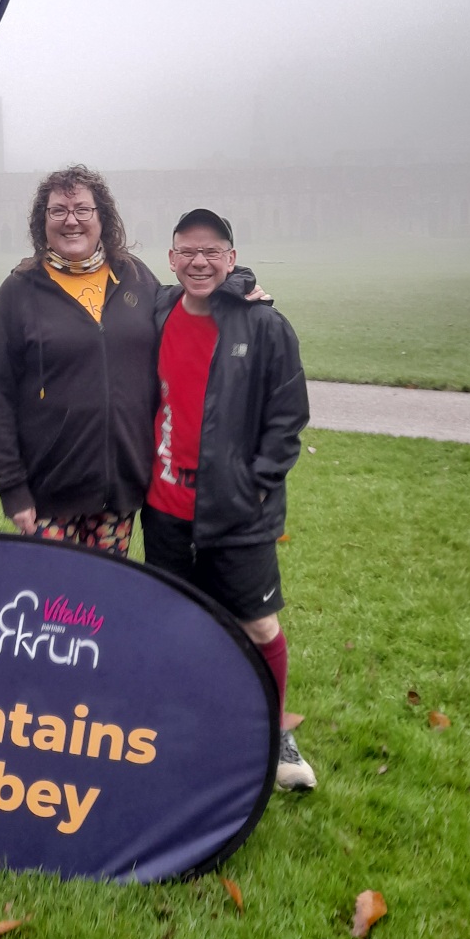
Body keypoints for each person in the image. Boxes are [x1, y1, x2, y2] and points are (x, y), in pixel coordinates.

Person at [140, 208, 316, 792]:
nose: (199, 262)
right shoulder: (160, 310)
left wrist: (256, 485)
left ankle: (274, 735)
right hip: (165, 509)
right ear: (171, 259)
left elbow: (288, 417)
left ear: (232, 259)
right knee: (176, 624)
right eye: (188, 252)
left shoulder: (265, 326)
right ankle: (185, 727)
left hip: (238, 512)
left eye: (212, 252)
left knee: (259, 625)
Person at [0, 165, 159, 557]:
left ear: (101, 217)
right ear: (42, 221)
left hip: (118, 492)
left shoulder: (135, 278)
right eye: (58, 210)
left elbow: (188, 305)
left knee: (100, 592)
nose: (71, 220)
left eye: (82, 210)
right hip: (47, 497)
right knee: (51, 594)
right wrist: (11, 488)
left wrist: (236, 290)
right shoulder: (18, 292)